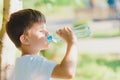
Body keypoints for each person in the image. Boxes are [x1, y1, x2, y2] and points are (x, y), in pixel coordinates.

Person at [6, 9, 78, 80]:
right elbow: (67, 72)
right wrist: (72, 43)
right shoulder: (32, 62)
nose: (47, 33)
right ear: (25, 39)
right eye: (41, 31)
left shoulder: (20, 65)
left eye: (46, 29)